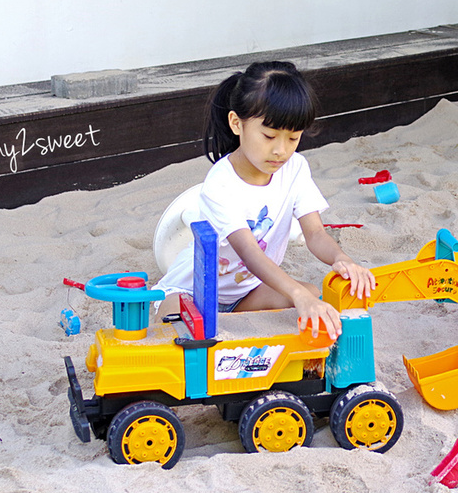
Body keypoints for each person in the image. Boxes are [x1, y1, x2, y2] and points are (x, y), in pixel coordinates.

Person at [153, 60, 376, 337]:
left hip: (247, 293)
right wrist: (295, 293)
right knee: (179, 326)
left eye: (293, 138)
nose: (281, 151)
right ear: (237, 123)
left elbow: (316, 233)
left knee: (310, 294)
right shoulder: (220, 182)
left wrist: (342, 259)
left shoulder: (295, 168)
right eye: (269, 136)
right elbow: (250, 253)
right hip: (193, 293)